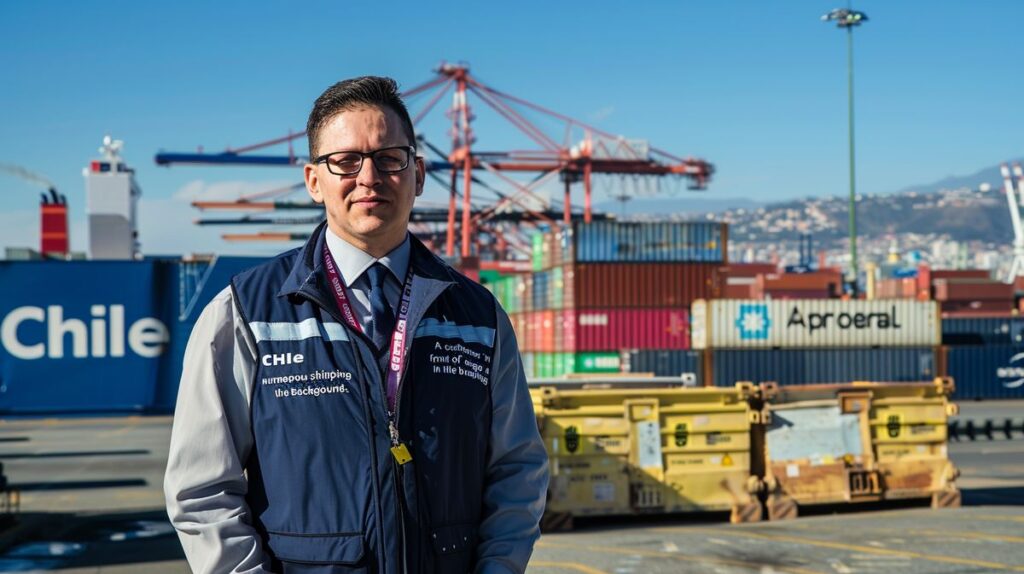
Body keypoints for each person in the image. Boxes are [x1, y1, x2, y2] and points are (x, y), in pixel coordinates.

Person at [164, 76, 549, 574]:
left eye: (390, 158)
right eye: (345, 161)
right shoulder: (244, 313)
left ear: (419, 173)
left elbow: (517, 470)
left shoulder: (478, 316)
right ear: (313, 180)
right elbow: (201, 492)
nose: (369, 177)